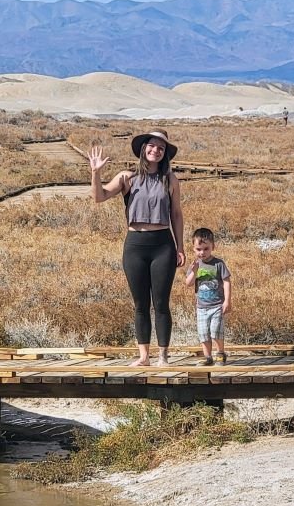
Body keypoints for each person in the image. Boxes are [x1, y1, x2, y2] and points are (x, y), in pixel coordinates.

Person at [89, 130, 185, 367]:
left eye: (161, 148)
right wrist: (96, 172)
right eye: (152, 146)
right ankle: (143, 357)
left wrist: (180, 246)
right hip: (135, 246)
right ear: (143, 148)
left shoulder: (170, 180)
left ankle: (163, 356)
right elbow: (99, 197)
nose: (156, 150)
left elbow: (176, 214)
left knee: (161, 303)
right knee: (140, 304)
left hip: (163, 245)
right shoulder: (127, 178)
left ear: (165, 154)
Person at [184, 228, 232, 366]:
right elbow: (188, 283)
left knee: (216, 330)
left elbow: (227, 281)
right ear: (193, 248)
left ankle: (220, 354)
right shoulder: (195, 265)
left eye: (206, 249)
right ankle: (207, 357)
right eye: (198, 249)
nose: (202, 252)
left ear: (212, 247)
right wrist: (193, 272)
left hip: (217, 305)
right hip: (201, 307)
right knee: (203, 333)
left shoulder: (218, 264)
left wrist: (227, 301)